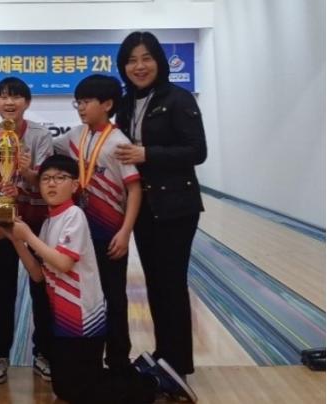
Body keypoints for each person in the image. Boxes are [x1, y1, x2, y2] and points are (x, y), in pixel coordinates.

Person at [1, 154, 196, 404]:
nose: (51, 183)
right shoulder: (50, 222)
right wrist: (15, 239)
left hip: (83, 318)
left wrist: (28, 235)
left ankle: (154, 382)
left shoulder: (74, 215)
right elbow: (38, 274)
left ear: (75, 185)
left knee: (80, 391)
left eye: (60, 178)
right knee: (65, 387)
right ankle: (141, 372)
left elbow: (63, 263)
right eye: (46, 178)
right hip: (63, 317)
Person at [114, 31, 207, 385]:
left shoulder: (178, 99)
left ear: (159, 62)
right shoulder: (125, 104)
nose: (139, 67)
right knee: (155, 282)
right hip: (143, 206)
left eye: (146, 58)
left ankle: (178, 364)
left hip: (176, 206)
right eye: (131, 60)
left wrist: (147, 154)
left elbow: (196, 151)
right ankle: (163, 354)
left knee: (171, 283)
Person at [53, 74, 142, 378]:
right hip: (80, 234)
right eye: (78, 102)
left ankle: (118, 359)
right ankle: (87, 357)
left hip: (109, 234)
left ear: (107, 104)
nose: (81, 107)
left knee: (114, 297)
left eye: (87, 101)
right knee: (85, 296)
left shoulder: (119, 142)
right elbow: (48, 148)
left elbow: (134, 189)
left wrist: (125, 232)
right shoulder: (75, 136)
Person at [0, 76, 54, 384]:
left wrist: (26, 170)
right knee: (5, 285)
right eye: (3, 97)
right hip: (7, 218)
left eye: (16, 96)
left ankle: (43, 352)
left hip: (37, 218)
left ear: (27, 102)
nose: (10, 102)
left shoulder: (40, 135)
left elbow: (46, 182)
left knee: (41, 286)